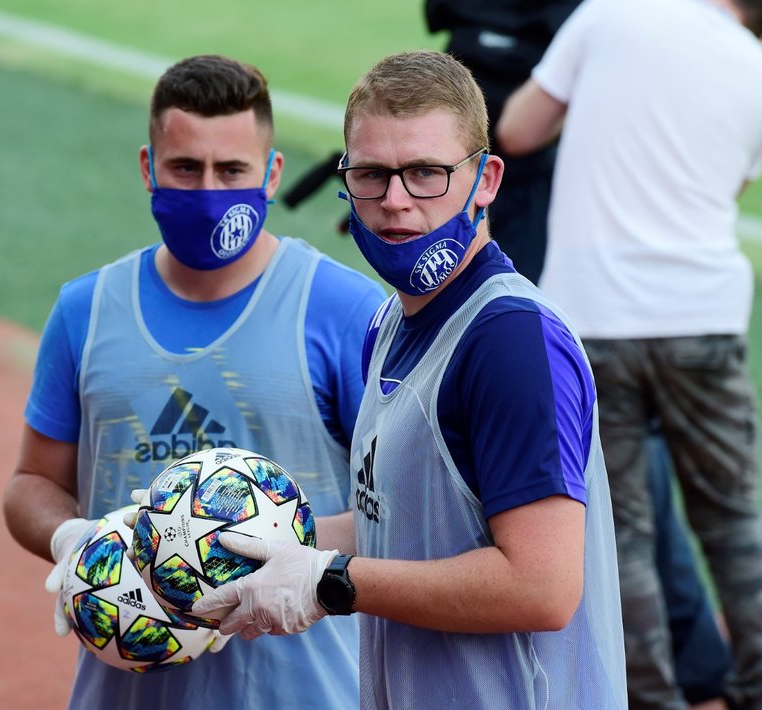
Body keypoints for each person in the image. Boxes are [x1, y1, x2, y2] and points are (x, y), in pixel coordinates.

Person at [190, 50, 628, 709]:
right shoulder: (388, 327)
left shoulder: (508, 342)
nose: (396, 202)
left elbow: (542, 587)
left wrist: (330, 581)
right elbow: (403, 524)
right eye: (371, 174)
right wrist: (258, 536)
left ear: (486, 180)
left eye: (426, 173)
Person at [2, 54, 385, 709]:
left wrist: (263, 546)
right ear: (149, 167)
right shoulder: (85, 310)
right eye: (186, 167)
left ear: (271, 174)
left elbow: (402, 505)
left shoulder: (347, 310)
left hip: (309, 692)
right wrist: (72, 539)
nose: (209, 191)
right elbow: (32, 482)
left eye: (231, 169)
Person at [429, 1, 734, 703]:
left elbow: (518, 125)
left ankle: (681, 659)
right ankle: (699, 658)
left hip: (563, 239)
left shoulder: (600, 20)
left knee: (600, 460)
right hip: (638, 266)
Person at [497, 0, 762, 707]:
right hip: (705, 319)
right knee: (733, 522)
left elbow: (517, 128)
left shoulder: (609, 15)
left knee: (619, 532)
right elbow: (728, 187)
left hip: (593, 316)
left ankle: (651, 697)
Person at [424, 0, 579, 283]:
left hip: (474, 175)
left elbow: (517, 135)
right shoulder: (580, 13)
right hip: (453, 175)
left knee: (506, 294)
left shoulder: (582, 15)